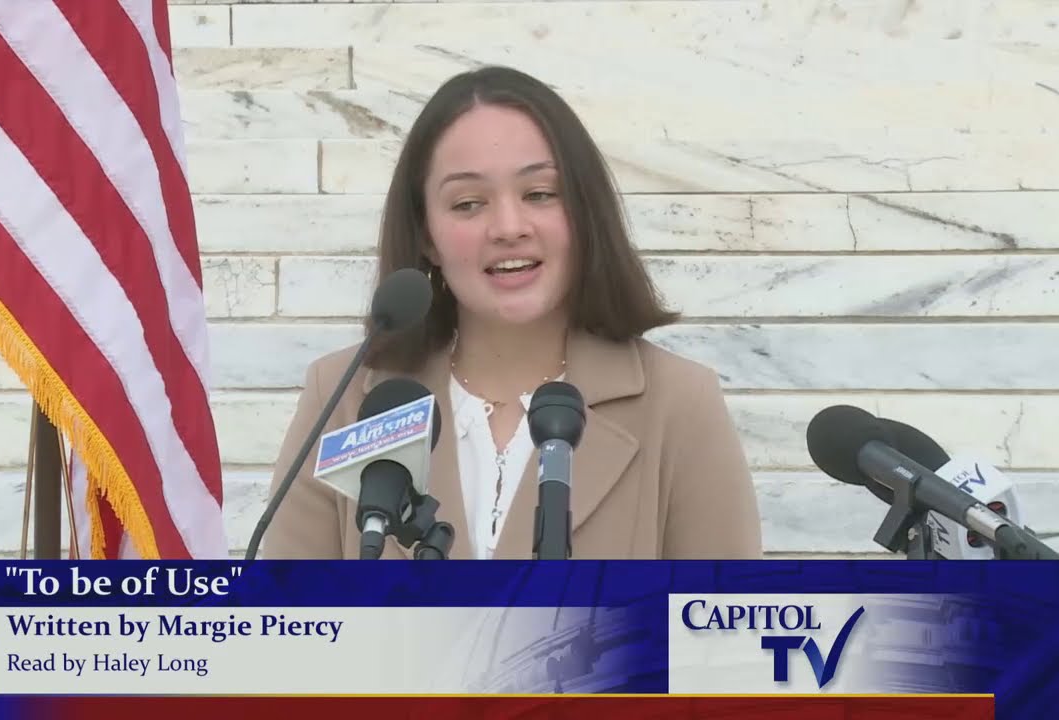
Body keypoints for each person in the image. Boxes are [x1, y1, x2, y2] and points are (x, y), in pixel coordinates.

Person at [262, 66, 763, 560]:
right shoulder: (343, 397)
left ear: (584, 212)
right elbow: (285, 608)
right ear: (426, 234)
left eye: (539, 194)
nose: (508, 227)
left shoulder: (678, 403)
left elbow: (720, 613)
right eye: (467, 203)